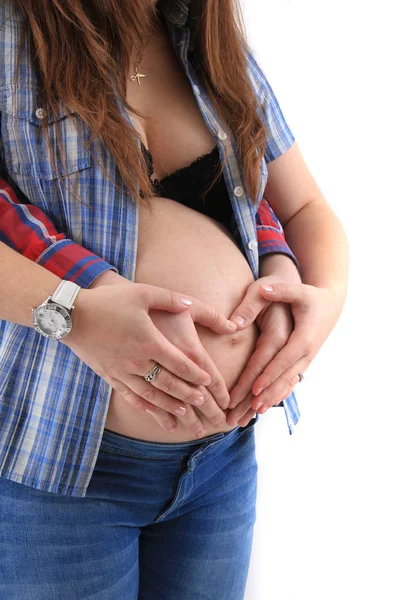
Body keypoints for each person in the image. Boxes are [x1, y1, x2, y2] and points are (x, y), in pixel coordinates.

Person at [0, 0, 349, 598]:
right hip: (59, 472)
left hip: (222, 467)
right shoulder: (12, 36)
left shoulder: (208, 41)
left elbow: (305, 207)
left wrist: (326, 300)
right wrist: (76, 316)